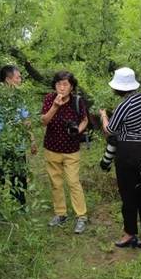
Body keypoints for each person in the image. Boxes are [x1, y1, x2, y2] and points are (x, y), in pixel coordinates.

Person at [99, 67, 141, 250]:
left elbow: (110, 131)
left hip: (127, 153)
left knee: (128, 194)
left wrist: (103, 117)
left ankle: (129, 233)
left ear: (118, 87)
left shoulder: (124, 105)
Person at [0, 65, 37, 208]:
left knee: (19, 175)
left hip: (17, 143)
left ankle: (20, 206)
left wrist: (32, 140)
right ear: (8, 79)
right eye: (18, 77)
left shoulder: (20, 96)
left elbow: (25, 120)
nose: (20, 80)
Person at [41, 71, 89, 234]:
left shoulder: (77, 101)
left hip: (71, 149)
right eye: (59, 84)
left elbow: (84, 120)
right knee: (56, 183)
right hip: (52, 147)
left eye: (65, 84)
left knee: (73, 182)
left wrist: (78, 131)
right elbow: (44, 121)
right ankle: (60, 213)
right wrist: (55, 105)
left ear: (72, 87)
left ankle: (81, 216)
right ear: (54, 86)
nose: (62, 87)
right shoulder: (49, 99)